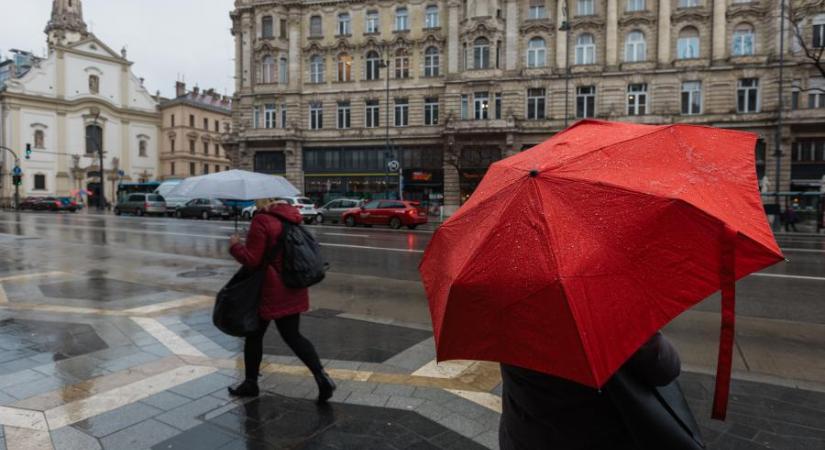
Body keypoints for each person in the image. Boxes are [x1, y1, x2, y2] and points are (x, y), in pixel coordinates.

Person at [227, 198, 336, 403]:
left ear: (263, 200)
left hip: (269, 290)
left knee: (254, 335)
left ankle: (251, 383)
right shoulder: (291, 217)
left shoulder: (262, 220)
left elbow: (252, 260)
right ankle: (322, 378)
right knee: (293, 336)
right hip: (293, 285)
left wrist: (235, 246)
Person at [499, 332, 683, 450]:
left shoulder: (507, 303)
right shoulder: (605, 307)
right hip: (596, 438)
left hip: (524, 434)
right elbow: (666, 369)